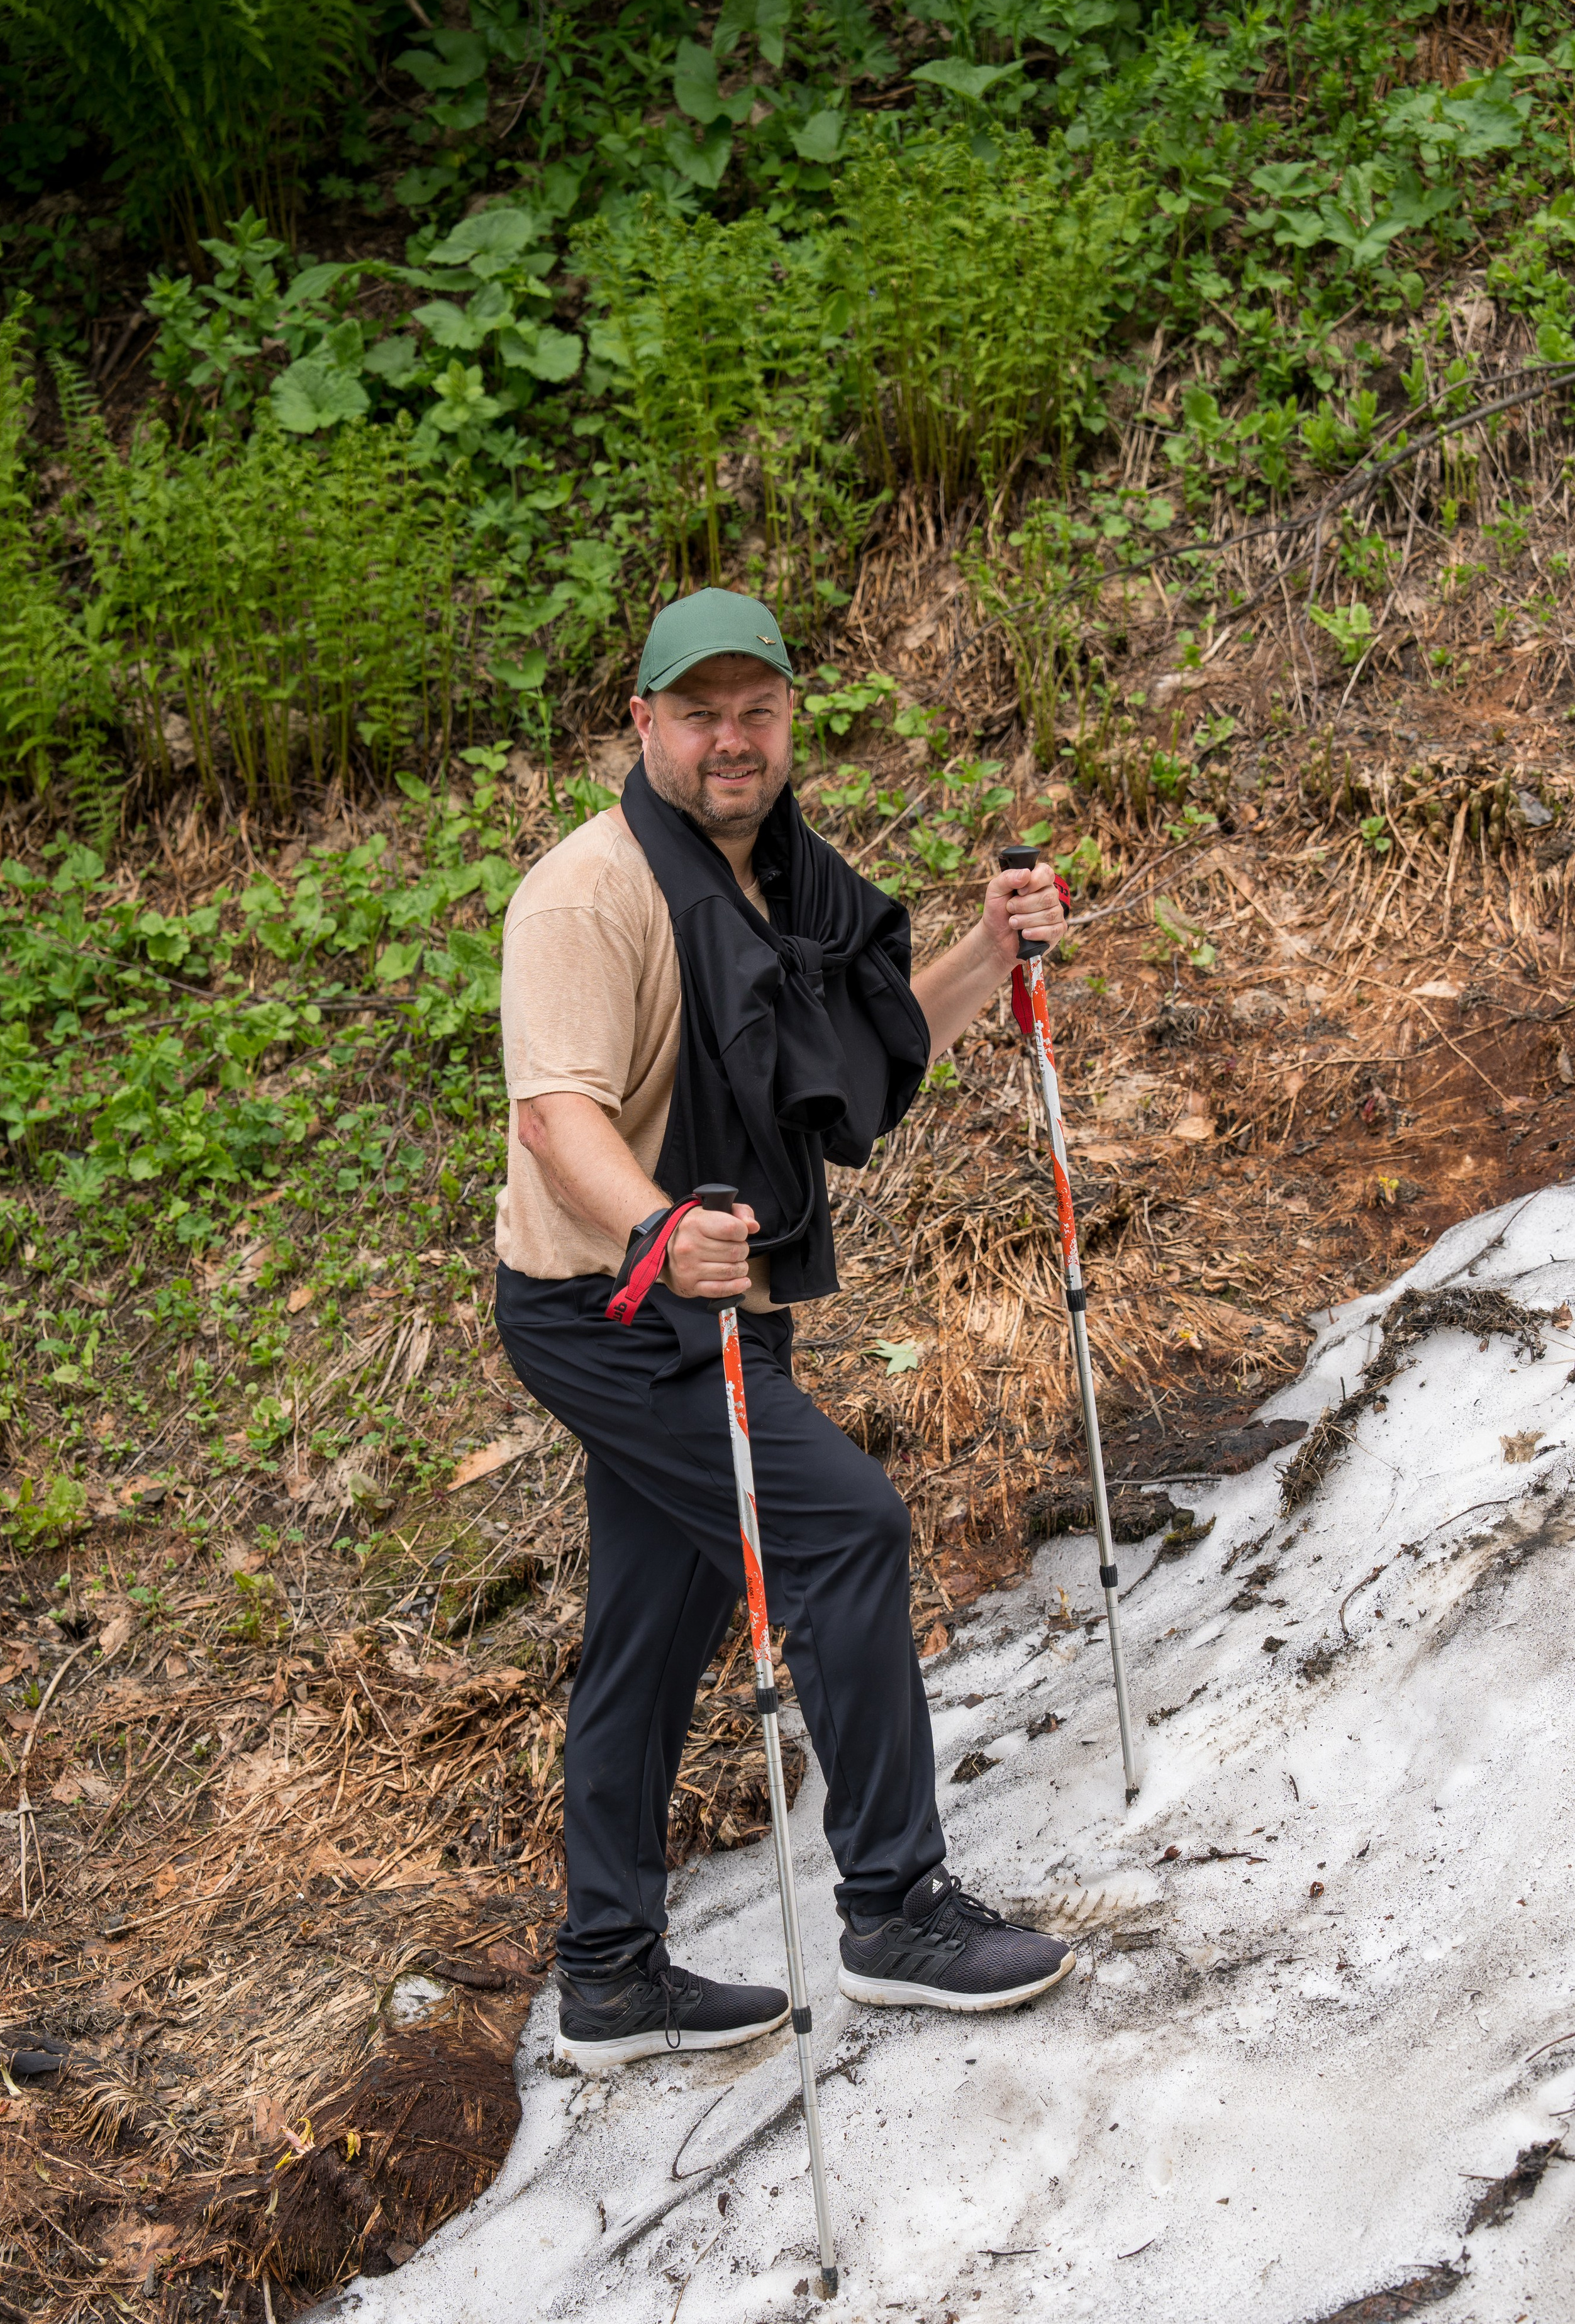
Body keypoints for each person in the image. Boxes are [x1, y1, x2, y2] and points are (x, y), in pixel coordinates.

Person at [494, 586, 1074, 2071]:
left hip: (714, 1297)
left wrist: (985, 948)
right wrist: (652, 1228)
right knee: (842, 1532)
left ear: (788, 720)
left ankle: (611, 1973)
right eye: (698, 714)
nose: (730, 740)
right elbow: (556, 1114)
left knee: (653, 1626)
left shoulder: (783, 883)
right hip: (609, 1304)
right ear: (644, 726)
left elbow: (866, 1044)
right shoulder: (591, 891)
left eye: (756, 711)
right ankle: (894, 1913)